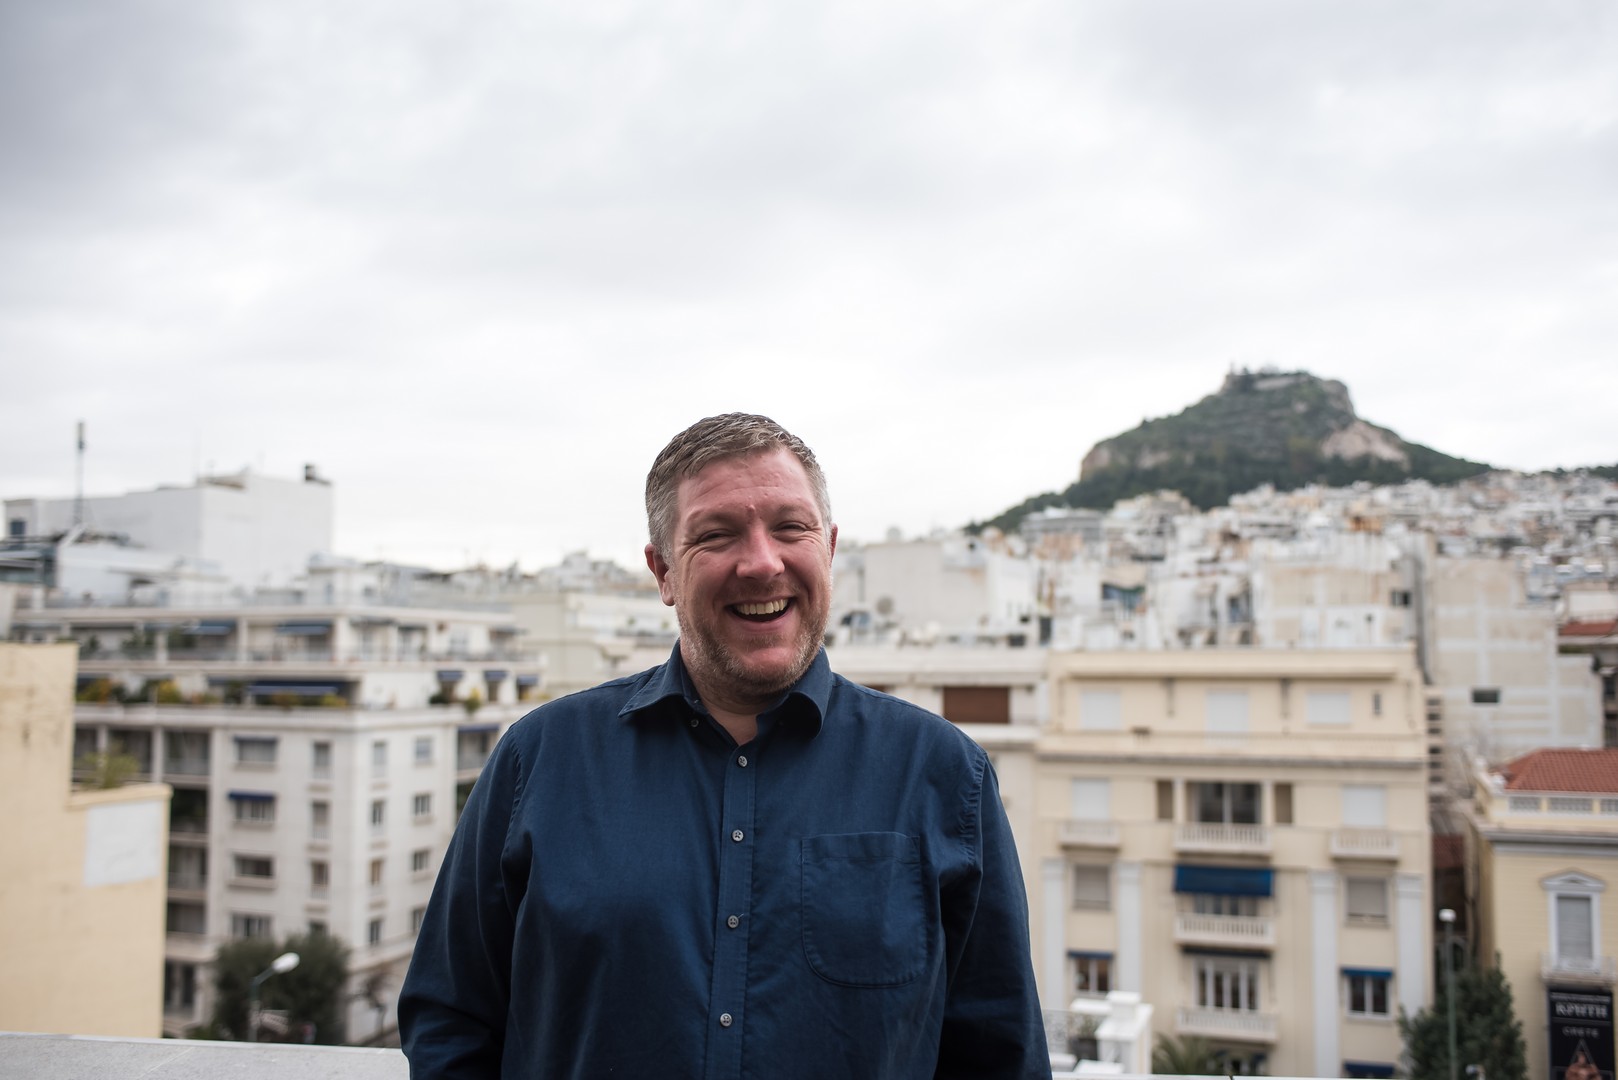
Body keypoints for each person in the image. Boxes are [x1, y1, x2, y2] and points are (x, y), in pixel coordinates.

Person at [399, 413, 1047, 1079]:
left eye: (791, 527)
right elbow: (451, 1019)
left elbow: (1001, 1054)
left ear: (829, 549)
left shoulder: (944, 773)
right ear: (663, 572)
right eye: (716, 535)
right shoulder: (538, 760)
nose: (762, 562)